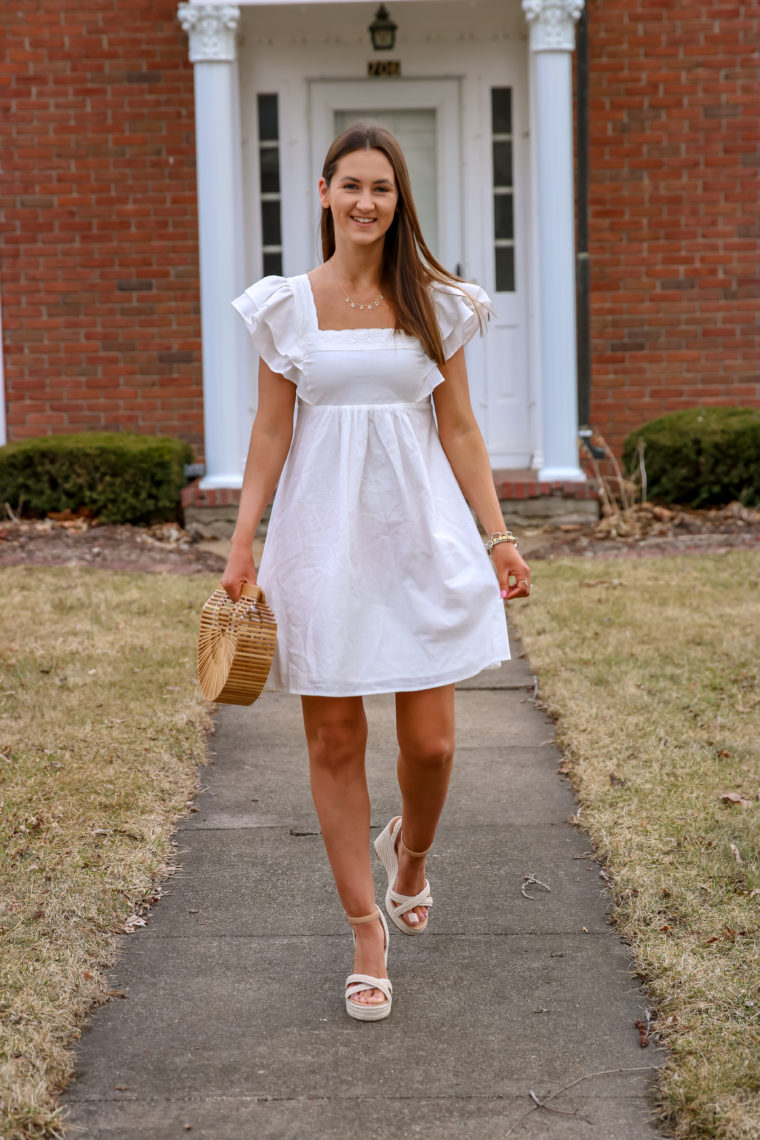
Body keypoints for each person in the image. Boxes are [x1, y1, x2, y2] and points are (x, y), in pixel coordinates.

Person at [222, 122, 531, 1022]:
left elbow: (462, 429)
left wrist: (499, 536)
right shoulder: (286, 306)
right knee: (335, 742)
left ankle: (414, 854)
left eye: (382, 189)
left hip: (422, 540)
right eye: (351, 185)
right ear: (323, 194)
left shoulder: (436, 301)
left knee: (431, 744)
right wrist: (242, 544)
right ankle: (365, 930)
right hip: (320, 546)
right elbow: (270, 433)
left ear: (400, 202)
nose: (366, 202)